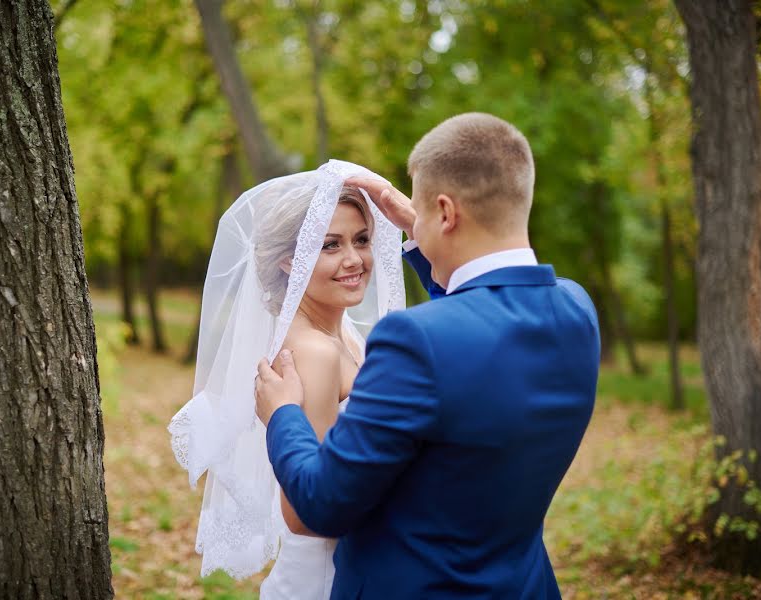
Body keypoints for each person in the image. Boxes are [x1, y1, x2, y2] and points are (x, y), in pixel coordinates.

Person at [255, 112, 601, 598]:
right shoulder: (577, 311)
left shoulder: (415, 341)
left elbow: (319, 507)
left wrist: (283, 414)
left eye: (418, 211)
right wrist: (420, 237)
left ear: (445, 212)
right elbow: (479, 334)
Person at [168, 160, 405, 598]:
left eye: (362, 240)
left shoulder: (342, 334)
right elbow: (308, 509)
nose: (354, 260)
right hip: (326, 578)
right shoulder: (313, 353)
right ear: (288, 261)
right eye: (330, 245)